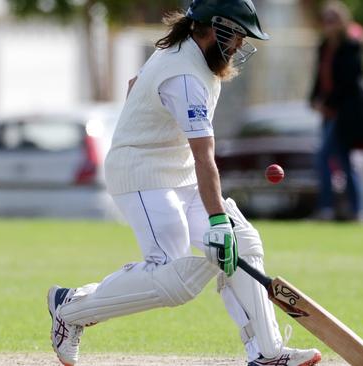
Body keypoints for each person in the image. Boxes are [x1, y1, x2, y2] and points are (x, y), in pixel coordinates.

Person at [46, 1, 322, 366]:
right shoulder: (185, 77)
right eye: (237, 34)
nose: (240, 44)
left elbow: (135, 85)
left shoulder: (186, 57)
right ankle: (71, 308)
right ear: (216, 28)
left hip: (178, 171)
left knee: (242, 244)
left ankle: (267, 354)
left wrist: (223, 232)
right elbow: (205, 157)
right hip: (142, 173)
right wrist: (218, 223)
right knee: (175, 279)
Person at [309, 0, 363, 221]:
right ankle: (354, 210)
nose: (328, 24)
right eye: (326, 20)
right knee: (341, 161)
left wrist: (327, 102)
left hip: (345, 113)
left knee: (327, 157)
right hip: (329, 112)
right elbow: (320, 78)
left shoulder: (351, 47)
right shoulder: (324, 46)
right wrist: (313, 99)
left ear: (342, 21)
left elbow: (349, 82)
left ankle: (333, 208)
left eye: (333, 20)